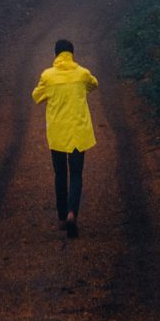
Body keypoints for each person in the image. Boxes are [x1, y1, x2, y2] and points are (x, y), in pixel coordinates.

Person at [31, 38, 99, 238]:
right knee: (76, 175)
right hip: (78, 132)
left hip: (58, 134)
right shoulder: (82, 73)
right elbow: (94, 84)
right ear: (72, 54)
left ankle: (61, 217)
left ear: (56, 55)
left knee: (60, 175)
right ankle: (72, 212)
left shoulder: (48, 76)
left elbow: (36, 96)